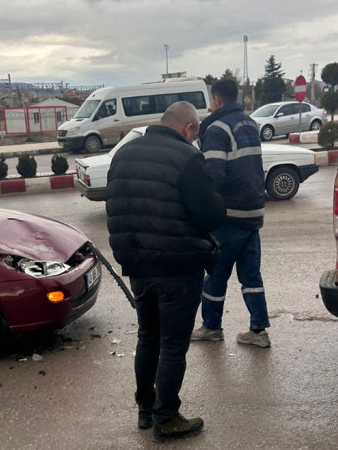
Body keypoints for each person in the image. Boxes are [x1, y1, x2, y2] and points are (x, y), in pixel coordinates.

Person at [106, 101, 225, 443]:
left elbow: (116, 205)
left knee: (148, 336)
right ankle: (167, 417)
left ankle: (145, 408)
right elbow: (209, 215)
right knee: (173, 344)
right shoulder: (186, 157)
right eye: (195, 134)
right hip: (177, 266)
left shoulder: (123, 154)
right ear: (188, 128)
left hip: (138, 265)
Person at [191, 78, 272, 348]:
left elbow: (213, 175)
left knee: (216, 273)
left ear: (216, 100)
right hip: (254, 212)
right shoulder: (249, 123)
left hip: (230, 215)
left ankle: (212, 327)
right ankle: (258, 331)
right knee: (251, 275)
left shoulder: (217, 128)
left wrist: (204, 211)